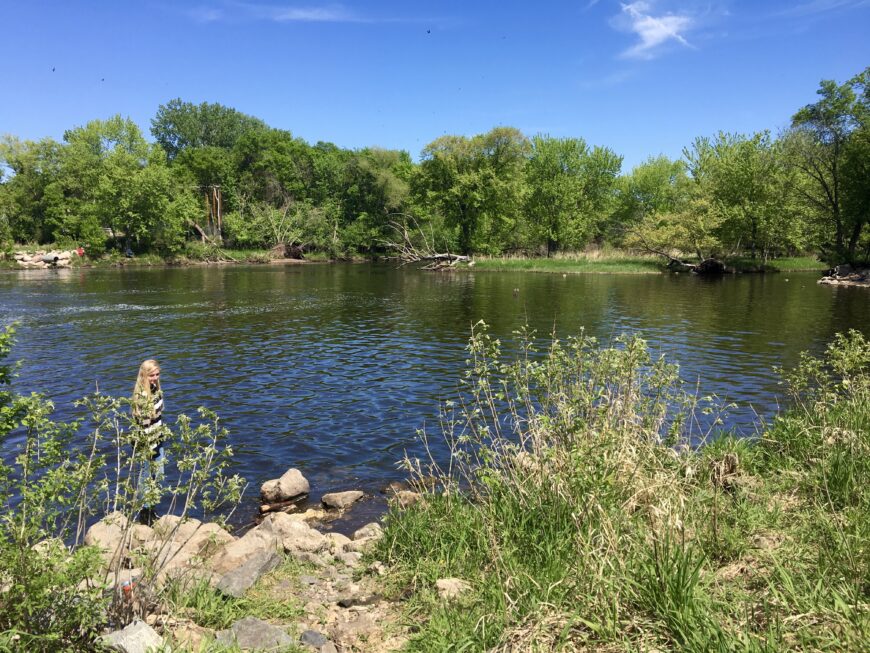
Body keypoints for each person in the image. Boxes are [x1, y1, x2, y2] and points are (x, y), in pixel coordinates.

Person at [133, 359, 165, 525]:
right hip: (146, 445)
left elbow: (158, 417)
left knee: (158, 475)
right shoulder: (141, 397)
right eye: (151, 375)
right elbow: (140, 426)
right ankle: (145, 514)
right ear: (144, 375)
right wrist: (146, 448)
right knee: (147, 478)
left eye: (157, 374)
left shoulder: (156, 390)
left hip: (158, 440)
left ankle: (152, 508)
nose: (155, 378)